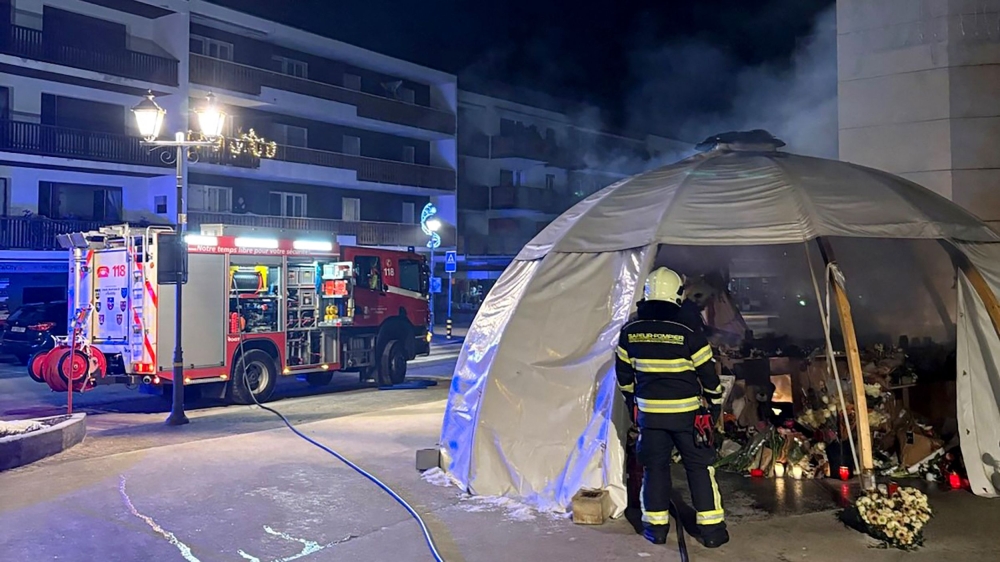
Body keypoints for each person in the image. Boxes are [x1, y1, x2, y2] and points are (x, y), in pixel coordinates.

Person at [616, 267, 729, 548]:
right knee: (699, 468)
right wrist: (714, 405)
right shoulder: (687, 331)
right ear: (678, 295)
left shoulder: (630, 332)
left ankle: (655, 529)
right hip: (687, 417)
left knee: (654, 468)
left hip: (650, 417)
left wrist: (635, 405)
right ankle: (712, 531)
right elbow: (708, 375)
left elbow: (624, 378)